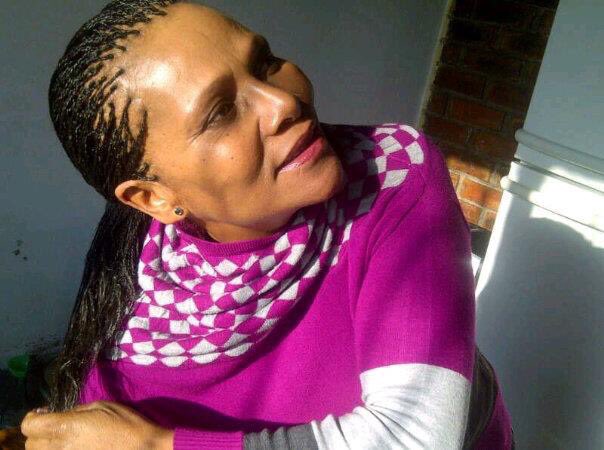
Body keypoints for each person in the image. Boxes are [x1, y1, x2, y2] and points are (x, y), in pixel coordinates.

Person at [20, 0, 514, 448]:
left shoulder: (390, 173)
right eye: (219, 113)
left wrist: (158, 445)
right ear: (154, 197)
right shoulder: (136, 320)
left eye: (264, 62)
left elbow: (415, 436)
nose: (283, 103)